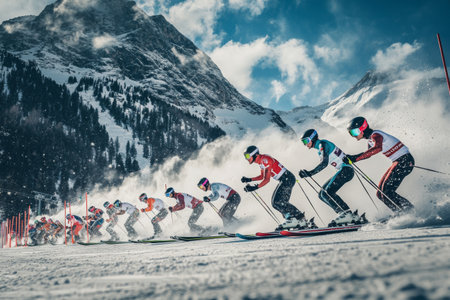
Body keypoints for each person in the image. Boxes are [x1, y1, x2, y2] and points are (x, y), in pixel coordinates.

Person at [345, 116, 415, 212]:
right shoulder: (370, 139)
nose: (354, 135)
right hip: (398, 161)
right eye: (351, 133)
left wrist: (355, 158)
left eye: (354, 132)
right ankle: (399, 213)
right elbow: (369, 153)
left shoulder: (376, 135)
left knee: (386, 192)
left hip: (405, 160)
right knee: (380, 194)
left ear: (363, 128)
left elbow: (377, 148)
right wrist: (351, 158)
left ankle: (410, 212)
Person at [299, 129, 361, 225]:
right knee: (322, 194)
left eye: (306, 141)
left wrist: (310, 173)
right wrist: (309, 173)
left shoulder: (322, 144)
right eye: (303, 142)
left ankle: (346, 214)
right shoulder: (320, 148)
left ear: (312, 138)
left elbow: (324, 163)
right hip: (343, 170)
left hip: (346, 170)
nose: (305, 144)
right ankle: (345, 214)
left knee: (328, 192)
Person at [241, 145, 307, 230]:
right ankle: (298, 220)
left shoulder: (265, 160)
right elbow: (262, 176)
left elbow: (266, 179)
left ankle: (296, 219)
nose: (246, 158)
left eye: (247, 156)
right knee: (278, 203)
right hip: (285, 179)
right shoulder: (261, 161)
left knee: (277, 202)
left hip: (287, 179)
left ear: (255, 155)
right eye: (245, 156)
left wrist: (255, 187)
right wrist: (249, 179)